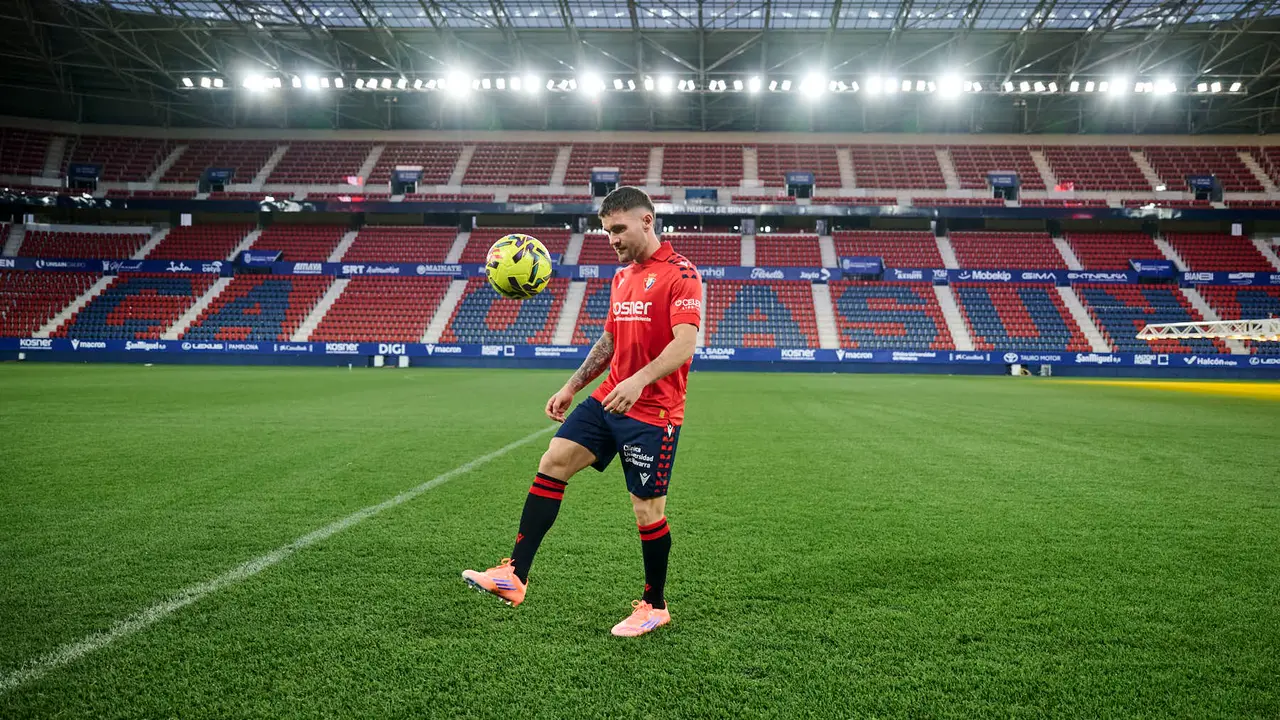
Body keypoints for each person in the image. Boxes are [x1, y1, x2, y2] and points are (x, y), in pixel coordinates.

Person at [462, 186, 702, 637]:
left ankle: (654, 605)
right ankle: (514, 575)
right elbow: (611, 340)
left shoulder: (681, 273)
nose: (611, 238)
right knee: (552, 462)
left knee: (646, 510)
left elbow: (685, 344)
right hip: (609, 397)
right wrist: (573, 386)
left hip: (654, 411)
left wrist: (639, 380)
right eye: (606, 230)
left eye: (618, 229)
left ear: (646, 221)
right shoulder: (622, 277)